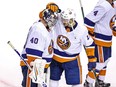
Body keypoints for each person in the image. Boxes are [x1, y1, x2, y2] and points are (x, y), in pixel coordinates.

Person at [46, 4, 96, 87]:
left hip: (72, 61)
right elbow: (48, 12)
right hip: (56, 58)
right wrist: (51, 7)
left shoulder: (81, 30)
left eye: (66, 20)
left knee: (76, 84)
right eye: (63, 19)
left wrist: (92, 59)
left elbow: (89, 44)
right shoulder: (58, 19)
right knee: (53, 80)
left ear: (72, 19)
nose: (64, 21)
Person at [20, 8, 58, 87]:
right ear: (45, 19)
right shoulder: (38, 29)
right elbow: (33, 51)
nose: (53, 23)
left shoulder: (46, 29)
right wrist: (35, 69)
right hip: (33, 66)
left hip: (40, 67)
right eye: (51, 20)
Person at [84, 0, 116, 87]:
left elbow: (110, 21)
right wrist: (90, 34)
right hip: (99, 39)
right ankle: (89, 82)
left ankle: (100, 81)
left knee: (106, 61)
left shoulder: (114, 5)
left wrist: (113, 28)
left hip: (107, 39)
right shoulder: (103, 6)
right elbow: (88, 20)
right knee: (99, 63)